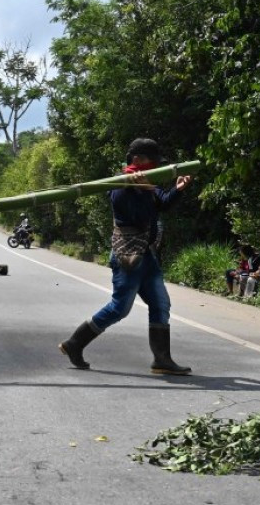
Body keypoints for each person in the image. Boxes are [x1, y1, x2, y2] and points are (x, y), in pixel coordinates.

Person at [59, 138, 194, 375]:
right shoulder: (120, 186)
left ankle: (162, 359)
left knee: (161, 304)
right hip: (128, 257)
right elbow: (140, 217)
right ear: (137, 160)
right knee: (119, 308)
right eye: (152, 163)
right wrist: (142, 191)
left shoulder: (146, 182)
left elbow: (161, 204)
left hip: (148, 255)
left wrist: (177, 190)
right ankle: (74, 344)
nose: (154, 167)